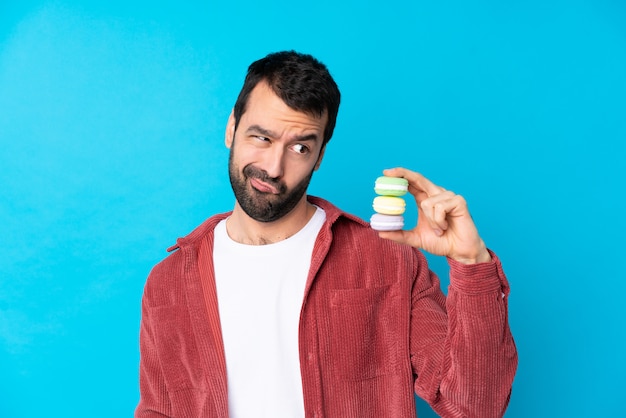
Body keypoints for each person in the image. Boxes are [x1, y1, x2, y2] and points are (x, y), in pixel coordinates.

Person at [135, 50, 518, 418]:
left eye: (299, 147)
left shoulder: (387, 259)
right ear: (231, 128)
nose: (273, 166)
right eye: (261, 138)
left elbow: (475, 407)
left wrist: (472, 264)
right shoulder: (169, 282)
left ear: (319, 157)